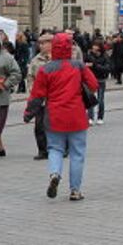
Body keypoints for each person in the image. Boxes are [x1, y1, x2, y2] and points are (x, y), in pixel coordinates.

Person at [25, 33, 98, 201]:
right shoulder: (78, 66)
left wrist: (28, 113)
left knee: (55, 149)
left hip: (54, 116)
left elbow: (37, 95)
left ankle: (54, 174)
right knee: (77, 153)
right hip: (76, 116)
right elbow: (93, 85)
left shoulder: (46, 69)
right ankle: (75, 190)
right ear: (70, 47)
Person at [27, 33, 53, 160]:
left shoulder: (57, 59)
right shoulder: (36, 60)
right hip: (40, 98)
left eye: (44, 43)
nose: (41, 46)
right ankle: (42, 150)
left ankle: (59, 148)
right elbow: (30, 77)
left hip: (55, 98)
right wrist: (32, 91)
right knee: (39, 125)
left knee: (55, 125)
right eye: (40, 43)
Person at [85, 41, 111, 126]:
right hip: (91, 80)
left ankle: (100, 117)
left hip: (101, 79)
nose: (94, 48)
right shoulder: (89, 55)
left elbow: (107, 68)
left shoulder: (104, 56)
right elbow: (84, 64)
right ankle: (90, 118)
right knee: (90, 99)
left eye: (96, 46)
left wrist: (95, 65)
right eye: (93, 46)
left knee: (100, 99)